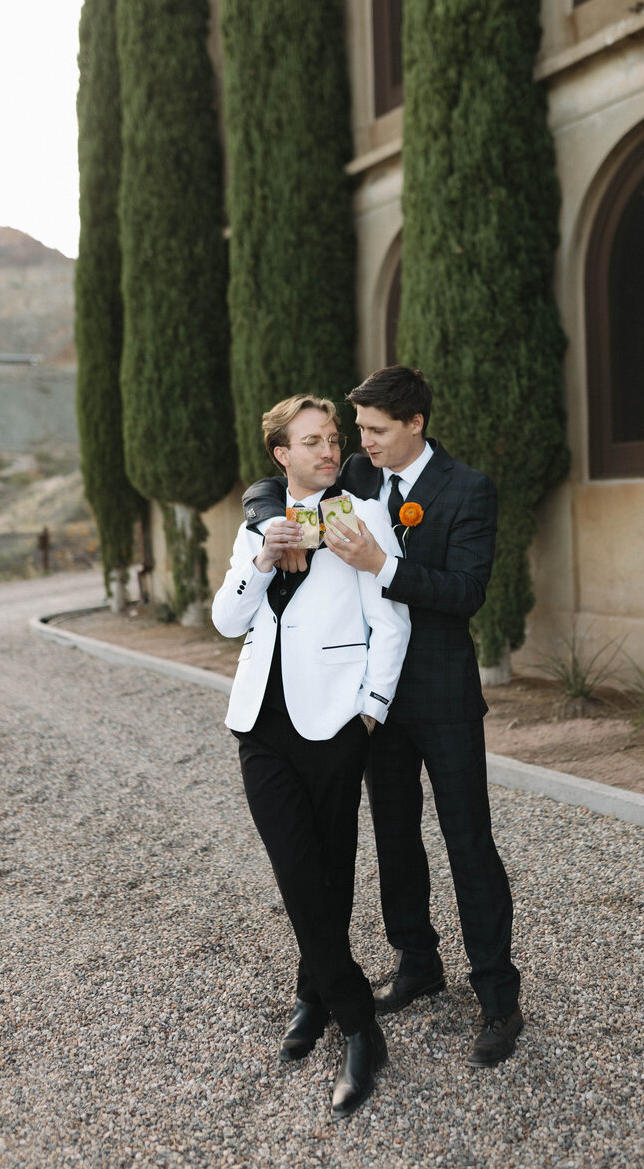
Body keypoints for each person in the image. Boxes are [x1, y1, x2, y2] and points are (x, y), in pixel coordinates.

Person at [242, 365, 523, 1067]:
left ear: (414, 424)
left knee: (468, 841)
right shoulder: (362, 482)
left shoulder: (469, 489)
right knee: (395, 840)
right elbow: (280, 487)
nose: (359, 445)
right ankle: (417, 962)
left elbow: (466, 592)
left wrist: (380, 564)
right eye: (354, 431)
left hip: (444, 694)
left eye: (373, 430)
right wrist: (260, 520)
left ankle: (496, 992)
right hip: (378, 700)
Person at [213, 394, 410, 1119]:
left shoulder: (360, 513)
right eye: (313, 441)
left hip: (335, 720)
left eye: (333, 439)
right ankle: (358, 1022)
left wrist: (371, 709)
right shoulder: (258, 523)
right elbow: (228, 618)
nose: (330, 451)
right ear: (281, 455)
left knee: (329, 871)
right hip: (260, 725)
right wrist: (262, 557)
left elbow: (389, 620)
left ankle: (311, 992)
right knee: (297, 868)